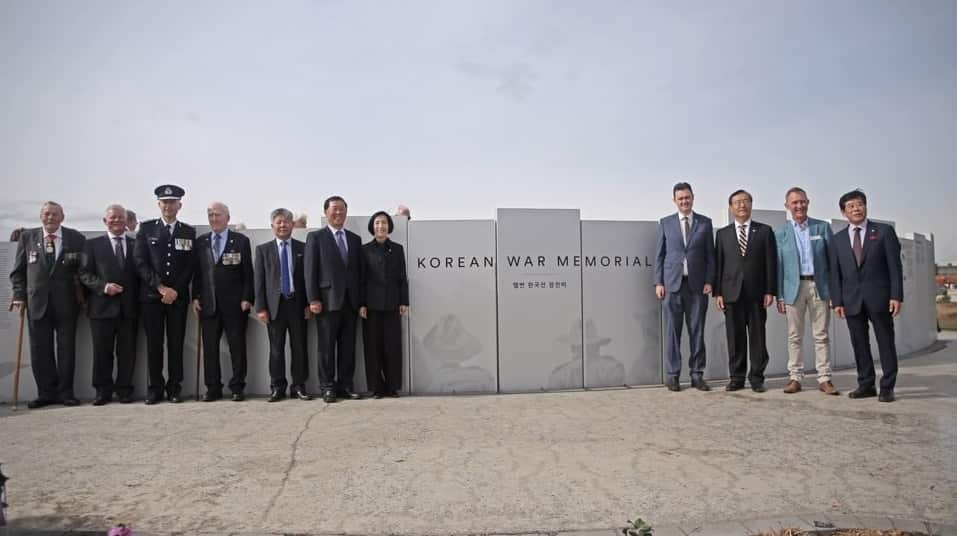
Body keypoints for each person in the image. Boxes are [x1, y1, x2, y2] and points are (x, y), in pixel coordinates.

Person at [9, 201, 86, 408]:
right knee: (39, 349)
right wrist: (18, 295)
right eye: (46, 214)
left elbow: (83, 270)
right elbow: (18, 272)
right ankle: (45, 393)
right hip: (37, 303)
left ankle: (66, 393)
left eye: (54, 214)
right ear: (40, 216)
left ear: (62, 216)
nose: (50, 217)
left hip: (67, 303)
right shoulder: (28, 237)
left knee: (66, 349)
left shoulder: (75, 238)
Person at [830, 190, 903, 402]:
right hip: (851, 300)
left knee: (885, 342)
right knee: (859, 344)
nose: (856, 209)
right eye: (851, 206)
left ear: (866, 206)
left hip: (880, 298)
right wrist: (837, 301)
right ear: (843, 212)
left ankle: (887, 386)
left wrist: (896, 295)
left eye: (859, 204)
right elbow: (836, 273)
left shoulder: (883, 232)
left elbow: (895, 268)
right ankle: (866, 384)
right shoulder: (838, 239)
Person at [133, 184, 195, 404]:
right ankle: (155, 388)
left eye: (172, 202)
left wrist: (175, 290)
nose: (168, 206)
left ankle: (175, 387)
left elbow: (190, 266)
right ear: (159, 204)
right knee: (154, 343)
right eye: (164, 202)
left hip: (177, 298)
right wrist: (160, 288)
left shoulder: (188, 231)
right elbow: (140, 262)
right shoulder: (147, 228)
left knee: (176, 343)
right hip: (152, 297)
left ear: (179, 205)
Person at [774, 187, 839, 395]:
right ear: (787, 206)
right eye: (794, 203)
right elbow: (779, 267)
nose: (799, 206)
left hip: (819, 287)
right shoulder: (781, 233)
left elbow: (832, 262)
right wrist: (780, 296)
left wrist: (833, 292)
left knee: (821, 335)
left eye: (802, 202)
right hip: (793, 289)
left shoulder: (822, 228)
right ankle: (795, 377)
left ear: (808, 202)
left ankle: (825, 378)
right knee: (794, 336)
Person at [714, 189, 777, 392]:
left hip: (757, 294)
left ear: (751, 205)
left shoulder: (765, 231)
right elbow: (719, 265)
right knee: (735, 338)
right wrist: (718, 293)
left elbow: (771, 262)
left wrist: (770, 290)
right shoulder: (722, 234)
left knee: (758, 338)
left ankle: (757, 378)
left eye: (746, 201)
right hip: (731, 294)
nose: (742, 205)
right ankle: (737, 377)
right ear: (731, 207)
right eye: (737, 202)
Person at [653, 182, 715, 391]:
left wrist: (709, 280)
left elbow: (710, 256)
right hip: (672, 285)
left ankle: (697, 374)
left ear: (693, 197)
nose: (684, 201)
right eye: (680, 198)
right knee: (673, 331)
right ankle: (673, 375)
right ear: (674, 200)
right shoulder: (665, 223)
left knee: (697, 331)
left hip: (697, 287)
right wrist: (658, 282)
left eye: (687, 197)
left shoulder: (705, 223)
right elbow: (659, 255)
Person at [305, 195, 365, 403]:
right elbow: (310, 271)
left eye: (341, 209)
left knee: (348, 348)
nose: (338, 213)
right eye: (334, 209)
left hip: (350, 303)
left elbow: (359, 274)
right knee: (326, 348)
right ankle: (327, 387)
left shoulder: (355, 240)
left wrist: (361, 302)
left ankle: (346, 385)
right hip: (326, 302)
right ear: (326, 212)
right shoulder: (316, 238)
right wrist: (313, 298)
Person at [192, 202, 254, 402]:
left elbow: (248, 274)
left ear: (227, 218)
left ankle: (237, 387)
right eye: (210, 215)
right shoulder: (201, 242)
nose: (214, 218)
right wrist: (195, 297)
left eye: (217, 215)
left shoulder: (240, 241)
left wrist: (247, 298)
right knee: (210, 349)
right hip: (209, 304)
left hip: (235, 305)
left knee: (237, 347)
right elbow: (198, 274)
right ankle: (213, 388)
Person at [78, 204, 139, 405]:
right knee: (102, 353)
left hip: (129, 308)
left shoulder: (135, 244)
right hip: (102, 308)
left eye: (121, 217)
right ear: (105, 221)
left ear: (127, 221)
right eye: (112, 218)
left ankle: (124, 390)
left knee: (127, 353)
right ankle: (102, 391)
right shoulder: (92, 245)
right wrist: (104, 287)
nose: (117, 221)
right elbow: (84, 274)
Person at [255, 208, 312, 401]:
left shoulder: (303, 248)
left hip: (297, 305)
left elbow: (308, 279)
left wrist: (309, 303)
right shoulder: (263, 250)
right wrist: (260, 307)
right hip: (274, 307)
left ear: (292, 225)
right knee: (276, 349)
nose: (283, 225)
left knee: (299, 347)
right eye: (279, 222)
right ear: (272, 226)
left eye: (286, 221)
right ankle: (277, 387)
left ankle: (299, 386)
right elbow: (259, 281)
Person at [359, 211, 409, 398]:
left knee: (392, 347)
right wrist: (361, 303)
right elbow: (361, 279)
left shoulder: (397, 249)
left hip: (392, 305)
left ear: (389, 226)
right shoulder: (364, 250)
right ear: (372, 226)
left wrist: (404, 301)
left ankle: (392, 386)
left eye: (385, 223)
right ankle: (376, 388)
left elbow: (402, 277)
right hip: (370, 307)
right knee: (373, 348)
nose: (381, 226)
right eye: (378, 223)